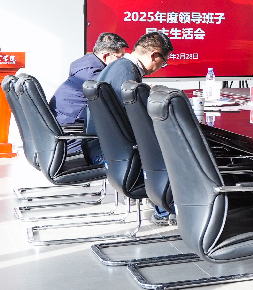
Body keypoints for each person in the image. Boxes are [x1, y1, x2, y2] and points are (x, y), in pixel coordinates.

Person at [88, 31, 175, 225]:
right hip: (113, 152)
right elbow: (135, 123)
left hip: (104, 147)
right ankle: (167, 209)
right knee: (170, 146)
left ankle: (162, 203)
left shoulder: (119, 66)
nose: (161, 67)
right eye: (163, 62)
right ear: (154, 55)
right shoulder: (128, 74)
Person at [49, 32, 129, 154]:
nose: (122, 62)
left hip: (64, 130)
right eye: (120, 57)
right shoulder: (94, 77)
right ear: (106, 56)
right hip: (72, 137)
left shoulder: (85, 65)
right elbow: (116, 97)